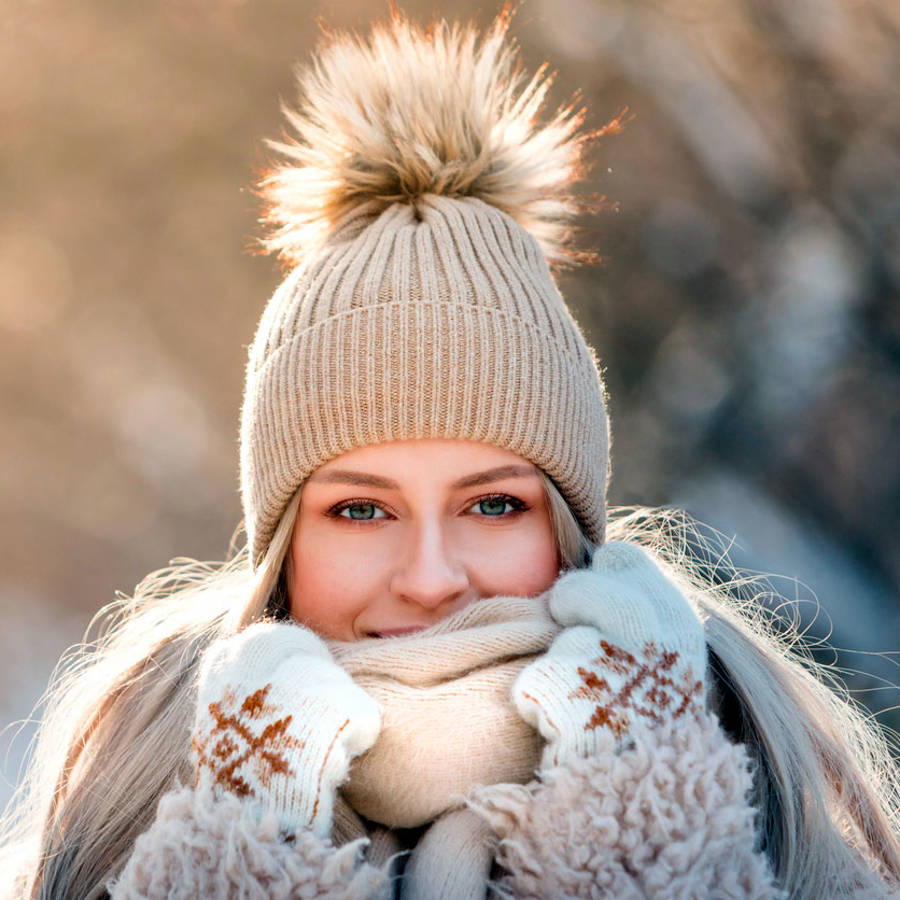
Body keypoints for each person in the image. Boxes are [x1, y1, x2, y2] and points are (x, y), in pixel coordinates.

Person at [2, 9, 899, 899]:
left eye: (494, 504)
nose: (430, 579)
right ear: (281, 548)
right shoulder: (114, 837)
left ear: (568, 530)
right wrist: (246, 838)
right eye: (359, 510)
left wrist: (645, 808)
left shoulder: (777, 823)